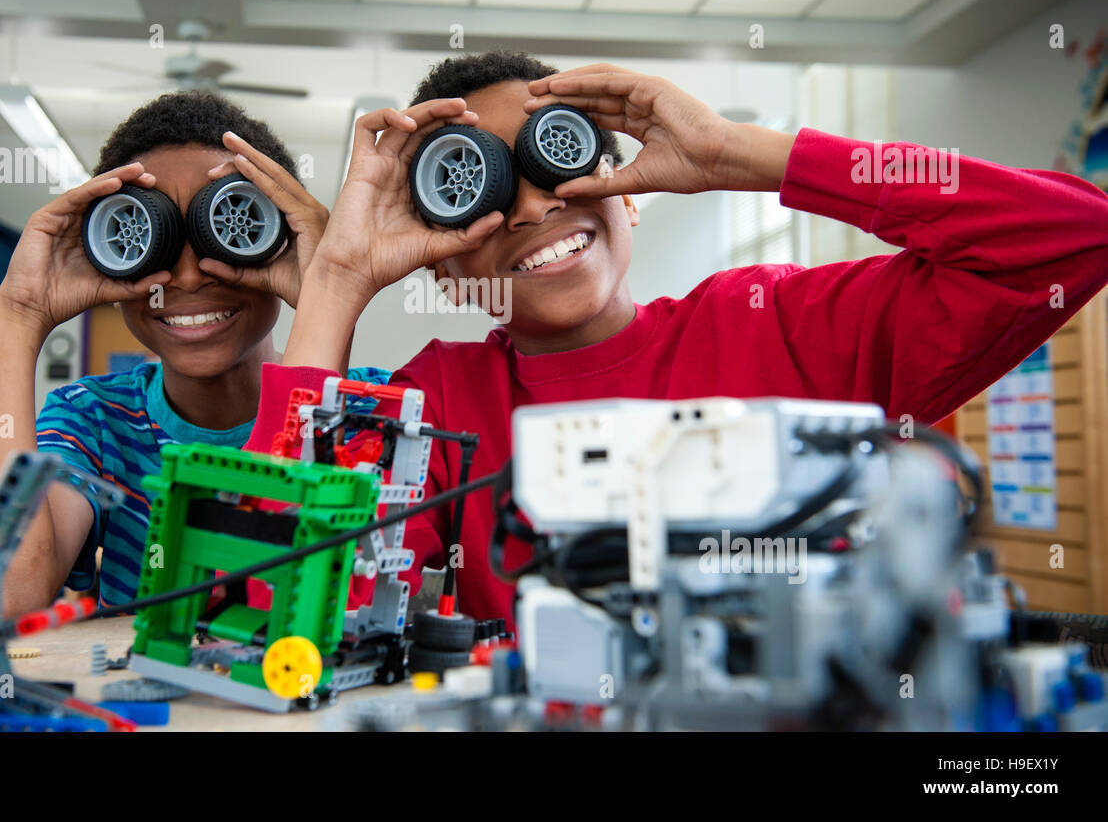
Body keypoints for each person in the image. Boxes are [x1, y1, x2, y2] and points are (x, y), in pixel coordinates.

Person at [240, 52, 1108, 624]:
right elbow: (283, 605)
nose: (539, 206)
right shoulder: (435, 404)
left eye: (563, 163)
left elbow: (1070, 237)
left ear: (627, 193)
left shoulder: (776, 327)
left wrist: (746, 154)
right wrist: (338, 285)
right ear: (441, 259)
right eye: (481, 192)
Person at [0, 91, 387, 617]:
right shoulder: (93, 421)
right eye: (148, 239)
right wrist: (17, 318)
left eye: (234, 228)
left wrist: (330, 293)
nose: (185, 276)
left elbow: (287, 589)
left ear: (284, 238)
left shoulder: (377, 414)